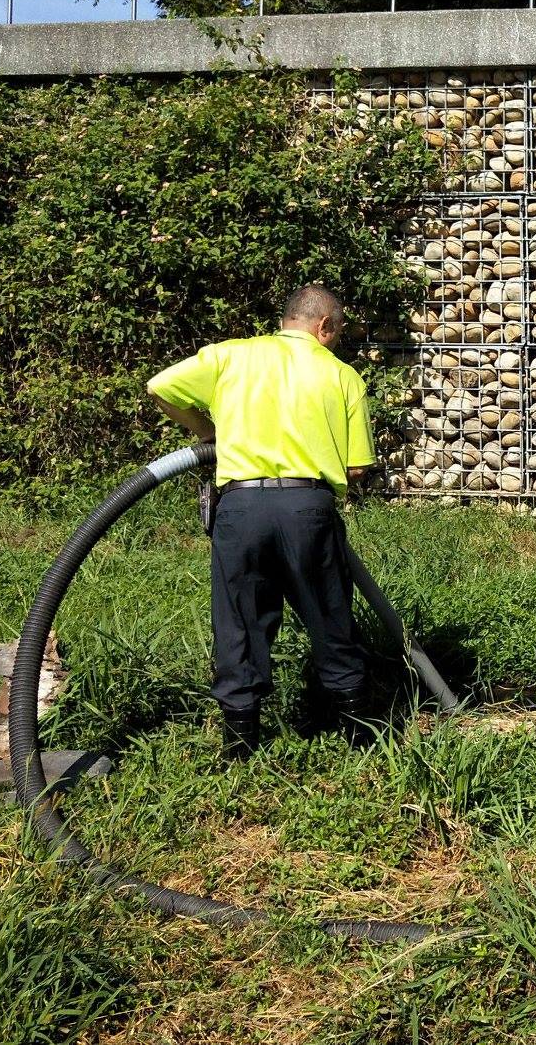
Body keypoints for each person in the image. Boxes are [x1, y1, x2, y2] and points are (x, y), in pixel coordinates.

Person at [147, 285, 378, 760]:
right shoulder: (342, 376)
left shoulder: (231, 356)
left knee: (239, 622)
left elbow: (161, 387)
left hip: (240, 508)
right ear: (324, 326)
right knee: (330, 616)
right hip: (307, 509)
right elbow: (356, 467)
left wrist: (208, 433)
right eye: (336, 333)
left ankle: (239, 749)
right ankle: (360, 742)